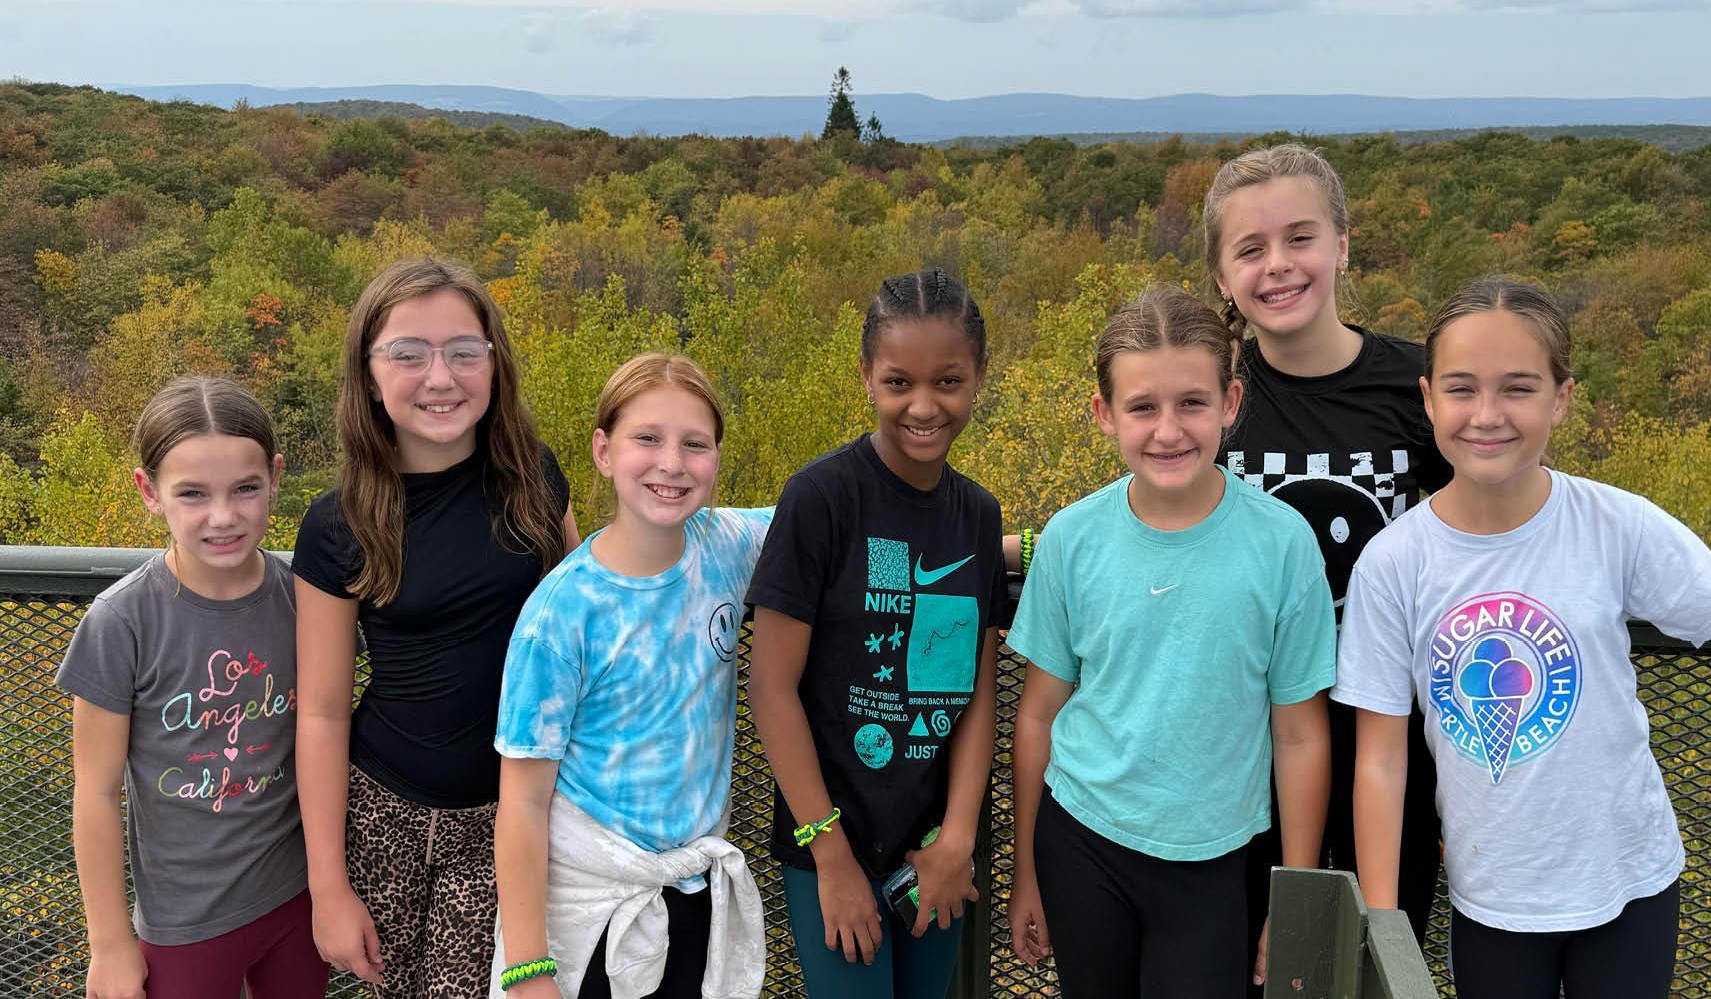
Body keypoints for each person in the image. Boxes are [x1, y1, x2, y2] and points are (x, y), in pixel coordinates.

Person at [1337, 275, 1711, 999]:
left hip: (1630, 883)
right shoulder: (1394, 565)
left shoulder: (1616, 526)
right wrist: (1384, 924)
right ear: (1426, 399)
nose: (1487, 415)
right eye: (1461, 389)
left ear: (1562, 398)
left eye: (1518, 387)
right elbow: (1381, 761)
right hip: (1491, 902)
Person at [1005, 285, 1335, 998]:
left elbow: (1301, 734)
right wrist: (1025, 870)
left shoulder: (1282, 544)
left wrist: (1292, 896)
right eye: (1142, 407)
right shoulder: (1071, 539)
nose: (1168, 430)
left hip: (1219, 858)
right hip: (1082, 842)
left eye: (1191, 402)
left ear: (1231, 403)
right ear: (1104, 415)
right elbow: (1037, 715)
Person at [292, 257, 577, 996]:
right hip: (387, 816)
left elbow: (586, 636)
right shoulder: (338, 525)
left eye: (463, 351)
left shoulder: (537, 482)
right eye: (409, 354)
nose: (440, 378)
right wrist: (328, 888)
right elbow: (320, 713)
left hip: (516, 814)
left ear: (494, 361)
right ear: (369, 372)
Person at [1204, 142, 1449, 987]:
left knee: (1381, 956)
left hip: (1394, 735)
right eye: (1250, 249)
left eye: (1300, 238)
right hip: (1250, 742)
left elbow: (1483, 539)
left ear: (1343, 244)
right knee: (1256, 964)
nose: (1278, 266)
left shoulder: (1417, 386)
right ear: (1223, 275)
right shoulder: (1214, 396)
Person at [746, 268, 1007, 999]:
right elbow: (771, 689)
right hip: (827, 842)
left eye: (949, 382)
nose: (924, 406)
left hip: (933, 850)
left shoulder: (977, 517)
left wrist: (957, 839)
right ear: (866, 376)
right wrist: (829, 855)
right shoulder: (821, 499)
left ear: (979, 377)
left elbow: (977, 693)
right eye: (899, 383)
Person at [491, 353, 769, 999]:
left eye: (694, 444)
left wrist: (1015, 546)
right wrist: (529, 970)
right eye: (647, 438)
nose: (671, 463)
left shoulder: (725, 546)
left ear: (716, 459)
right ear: (603, 451)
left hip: (694, 895)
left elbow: (838, 524)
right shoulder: (561, 614)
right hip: (595, 912)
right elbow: (523, 803)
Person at [61, 375, 326, 999]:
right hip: (183, 923)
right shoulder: (122, 621)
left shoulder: (305, 598)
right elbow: (95, 794)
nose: (223, 516)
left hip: (297, 898)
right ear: (149, 491)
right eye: (193, 494)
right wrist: (108, 942)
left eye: (245, 489)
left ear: (276, 478)